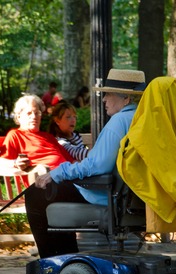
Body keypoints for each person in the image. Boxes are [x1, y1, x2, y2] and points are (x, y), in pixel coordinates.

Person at [24, 68, 146, 258]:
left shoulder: (119, 121)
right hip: (130, 196)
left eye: (108, 94)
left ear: (126, 99)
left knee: (36, 194)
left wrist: (57, 173)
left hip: (106, 195)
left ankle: (54, 264)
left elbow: (96, 166)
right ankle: (68, 262)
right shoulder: (142, 119)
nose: (104, 99)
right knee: (52, 190)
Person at [0, 94, 75, 173]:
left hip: (68, 176)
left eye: (37, 113)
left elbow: (71, 161)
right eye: (29, 113)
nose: (34, 117)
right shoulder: (15, 135)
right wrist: (15, 163)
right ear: (19, 116)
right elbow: (0, 162)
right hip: (44, 180)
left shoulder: (48, 137)